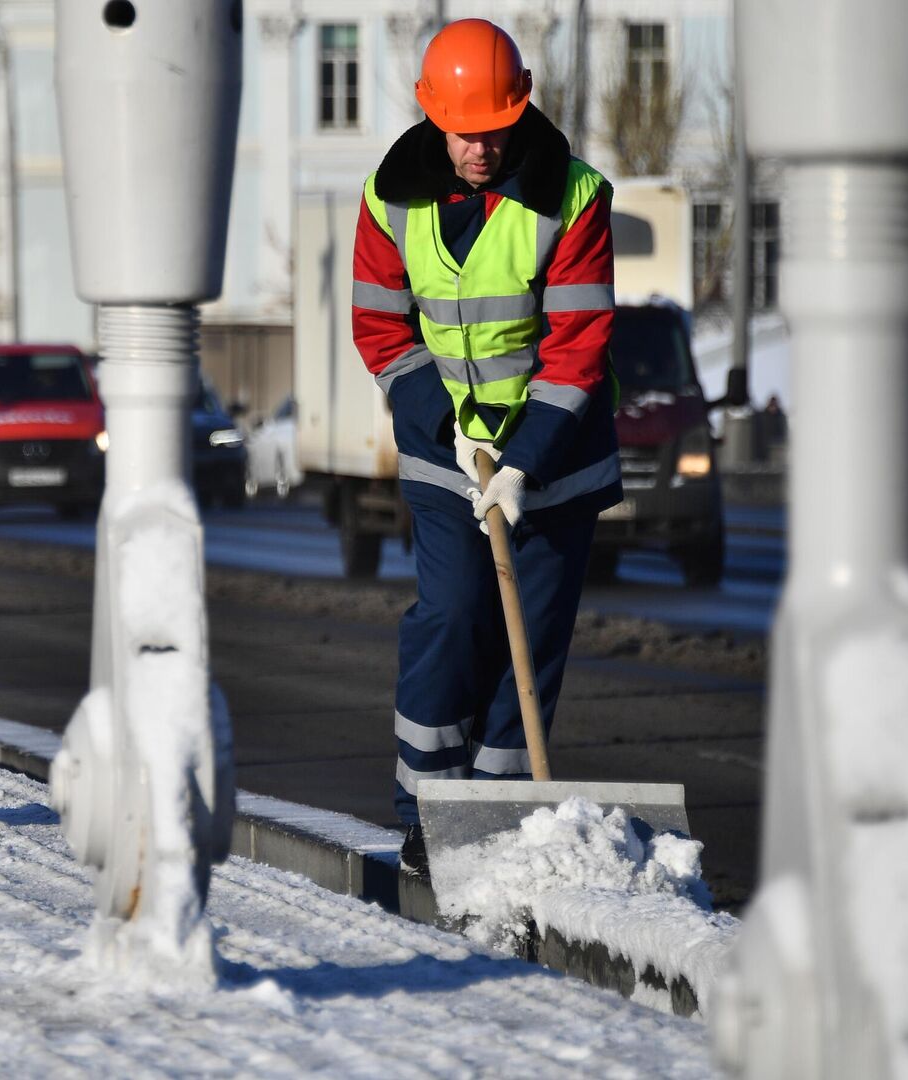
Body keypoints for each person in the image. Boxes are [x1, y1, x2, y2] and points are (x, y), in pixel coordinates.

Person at [350, 19, 622, 874]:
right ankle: (431, 812)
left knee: (527, 647)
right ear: (436, 117)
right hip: (446, 460)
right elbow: (381, 329)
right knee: (456, 616)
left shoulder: (573, 197)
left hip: (557, 461)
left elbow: (578, 341)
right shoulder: (389, 198)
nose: (482, 147)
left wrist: (522, 460)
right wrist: (446, 421)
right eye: (467, 132)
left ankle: (502, 821)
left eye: (497, 129)